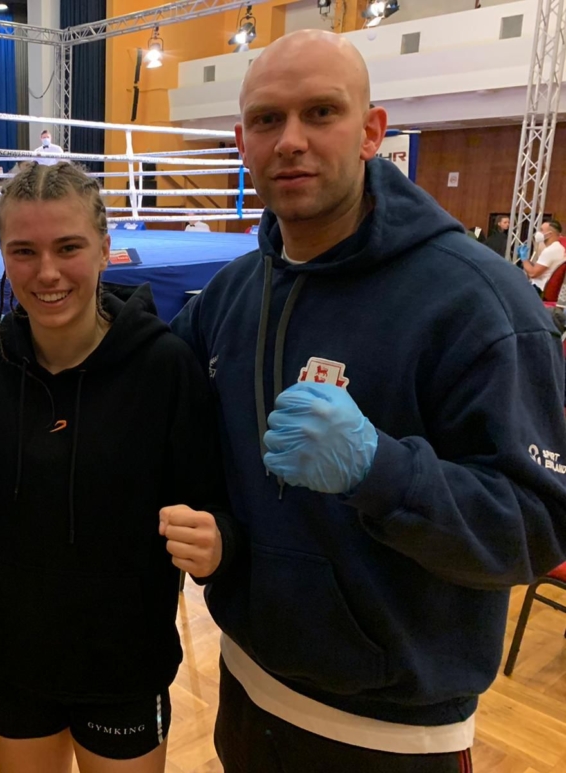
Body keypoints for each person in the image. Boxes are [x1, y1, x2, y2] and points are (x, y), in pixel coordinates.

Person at [167, 30, 566, 772]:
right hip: (248, 689)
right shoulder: (233, 293)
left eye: (320, 112)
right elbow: (170, 406)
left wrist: (381, 471)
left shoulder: (479, 302)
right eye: (266, 120)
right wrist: (27, 331)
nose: (290, 141)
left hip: (392, 735)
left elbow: (540, 527)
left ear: (371, 132)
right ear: (241, 141)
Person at [0, 161, 234, 773]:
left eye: (68, 247)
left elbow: (211, 503)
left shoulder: (164, 367)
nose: (48, 272)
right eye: (24, 251)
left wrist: (219, 543)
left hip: (125, 661)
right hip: (14, 656)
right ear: (3, 256)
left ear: (107, 250)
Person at [520, 219, 566, 296]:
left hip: (539, 289)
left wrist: (523, 259)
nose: (538, 233)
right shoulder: (559, 248)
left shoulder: (550, 250)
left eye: (541, 230)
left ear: (550, 234)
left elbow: (532, 273)